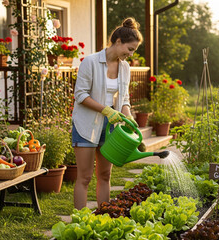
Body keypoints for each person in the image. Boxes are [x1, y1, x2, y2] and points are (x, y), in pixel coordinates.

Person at [72, 17, 143, 209]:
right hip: (86, 123)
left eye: (133, 50)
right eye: (130, 49)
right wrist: (105, 109)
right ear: (118, 41)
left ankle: (103, 218)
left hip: (110, 126)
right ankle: (79, 221)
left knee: (105, 175)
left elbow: (124, 98)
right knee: (85, 177)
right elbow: (80, 95)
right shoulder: (91, 62)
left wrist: (127, 116)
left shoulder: (125, 68)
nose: (131, 54)